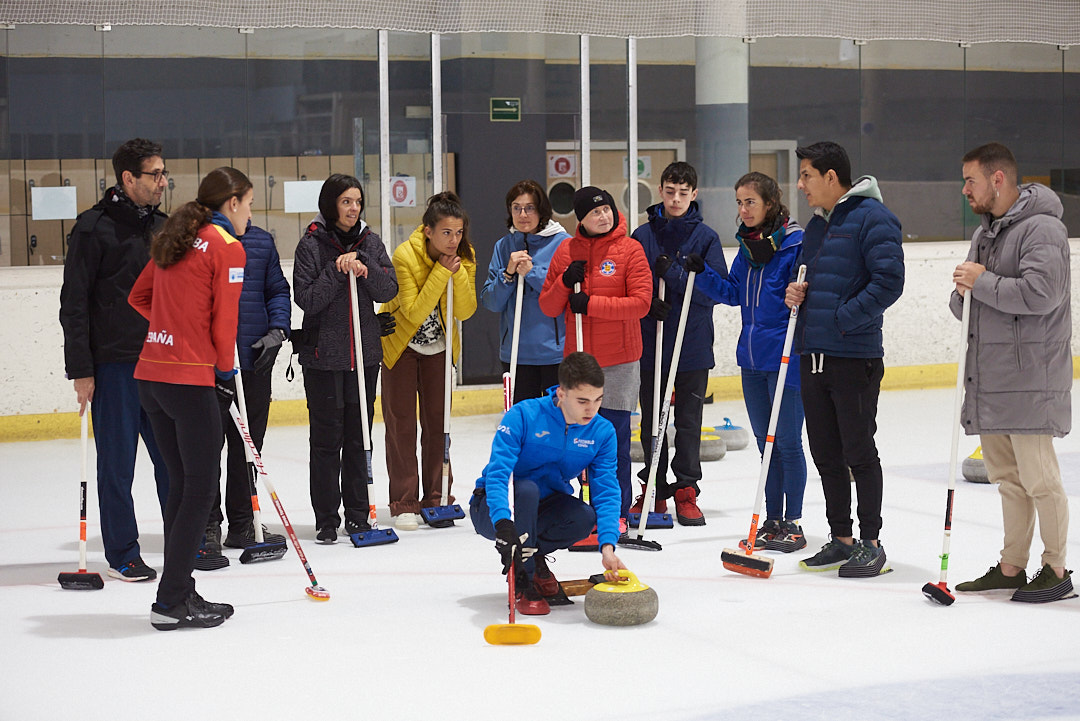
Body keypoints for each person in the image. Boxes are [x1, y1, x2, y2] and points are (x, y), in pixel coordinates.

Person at [950, 142, 1073, 603]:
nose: (965, 189)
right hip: (994, 378)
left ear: (997, 179)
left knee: (1041, 479)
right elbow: (966, 301)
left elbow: (1042, 294)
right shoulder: (987, 233)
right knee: (1008, 479)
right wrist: (964, 290)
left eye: (971, 180)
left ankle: (1056, 568)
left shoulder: (1042, 230)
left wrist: (980, 282)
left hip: (1030, 378)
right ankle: (1011, 566)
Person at [128, 166, 250, 630]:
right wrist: (224, 371)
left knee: (181, 487)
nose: (249, 213)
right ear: (232, 202)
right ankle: (169, 602)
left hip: (152, 377)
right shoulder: (226, 247)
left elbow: (139, 297)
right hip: (190, 381)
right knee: (199, 489)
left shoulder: (175, 237)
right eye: (250, 203)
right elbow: (225, 324)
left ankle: (178, 589)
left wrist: (171, 331)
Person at [784, 141, 904, 578]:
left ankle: (871, 542)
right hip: (812, 353)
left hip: (854, 356)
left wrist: (841, 319)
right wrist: (797, 294)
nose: (801, 185)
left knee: (858, 451)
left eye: (807, 176)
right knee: (826, 453)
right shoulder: (817, 227)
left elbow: (889, 282)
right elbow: (812, 279)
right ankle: (842, 538)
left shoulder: (875, 218)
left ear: (831, 177)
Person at [59, 138, 170, 582]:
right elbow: (74, 304)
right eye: (155, 174)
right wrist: (81, 370)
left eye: (164, 173)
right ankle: (123, 550)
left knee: (173, 460)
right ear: (128, 178)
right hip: (116, 365)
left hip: (165, 362)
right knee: (117, 464)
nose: (163, 182)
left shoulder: (166, 228)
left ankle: (185, 541)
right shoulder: (93, 229)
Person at [695, 171, 807, 550]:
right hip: (753, 359)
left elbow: (808, 295)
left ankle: (793, 522)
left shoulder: (795, 245)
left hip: (786, 358)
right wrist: (700, 274)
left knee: (788, 443)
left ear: (770, 204)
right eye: (739, 203)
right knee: (765, 444)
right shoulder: (748, 248)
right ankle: (772, 519)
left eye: (750, 202)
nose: (743, 210)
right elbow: (731, 293)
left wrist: (802, 295)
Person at [470, 352, 628, 615]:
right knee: (527, 489)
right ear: (562, 394)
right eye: (583, 401)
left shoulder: (601, 431)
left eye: (598, 400)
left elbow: (607, 489)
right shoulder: (524, 415)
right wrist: (502, 523)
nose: (592, 409)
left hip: (544, 506)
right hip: (496, 507)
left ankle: (532, 556)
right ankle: (523, 576)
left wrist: (608, 546)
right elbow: (499, 474)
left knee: (582, 516)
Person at [293, 174, 398, 544]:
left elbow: (390, 287)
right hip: (323, 358)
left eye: (357, 201)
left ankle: (357, 515)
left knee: (358, 437)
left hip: (364, 357)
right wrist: (336, 270)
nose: (353, 208)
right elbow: (305, 299)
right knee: (325, 439)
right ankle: (326, 518)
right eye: (346, 202)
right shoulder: (310, 245)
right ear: (330, 204)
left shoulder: (371, 241)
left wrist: (366, 267)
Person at [539, 186, 652, 525]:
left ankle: (614, 514)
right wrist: (563, 282)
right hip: (580, 364)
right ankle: (577, 512)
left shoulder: (630, 250)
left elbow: (641, 303)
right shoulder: (566, 250)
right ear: (581, 219)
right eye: (594, 213)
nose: (603, 217)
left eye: (607, 210)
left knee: (614, 443)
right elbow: (548, 305)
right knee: (575, 442)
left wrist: (590, 304)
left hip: (619, 361)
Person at [630, 161, 728, 526]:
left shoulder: (706, 239)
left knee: (688, 422)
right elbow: (632, 284)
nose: (675, 199)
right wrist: (646, 302)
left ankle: (686, 490)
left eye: (683, 193)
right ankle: (653, 487)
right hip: (652, 343)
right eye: (670, 192)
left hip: (692, 346)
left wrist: (671, 273)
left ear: (694, 194)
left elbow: (714, 293)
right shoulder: (642, 236)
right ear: (660, 190)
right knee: (652, 422)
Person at [380, 191, 477, 531]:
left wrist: (457, 273)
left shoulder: (464, 257)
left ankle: (437, 498)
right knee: (401, 424)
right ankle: (405, 501)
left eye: (459, 233)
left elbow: (465, 310)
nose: (453, 240)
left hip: (439, 349)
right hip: (400, 346)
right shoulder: (404, 256)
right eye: (446, 233)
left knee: (439, 425)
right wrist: (439, 272)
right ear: (428, 231)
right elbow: (413, 311)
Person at [199, 216, 290, 567]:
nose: (248, 209)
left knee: (248, 447)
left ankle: (243, 523)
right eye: (245, 201)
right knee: (207, 449)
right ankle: (208, 525)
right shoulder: (202, 242)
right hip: (210, 366)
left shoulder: (262, 242)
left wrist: (277, 331)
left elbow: (277, 290)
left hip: (253, 361)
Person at [480, 180, 571, 402]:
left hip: (555, 354)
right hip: (516, 355)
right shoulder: (503, 246)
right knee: (523, 423)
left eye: (529, 207)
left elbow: (565, 293)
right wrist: (508, 274)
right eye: (516, 208)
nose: (523, 214)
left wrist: (532, 273)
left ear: (541, 210)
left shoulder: (564, 244)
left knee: (557, 420)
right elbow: (491, 302)